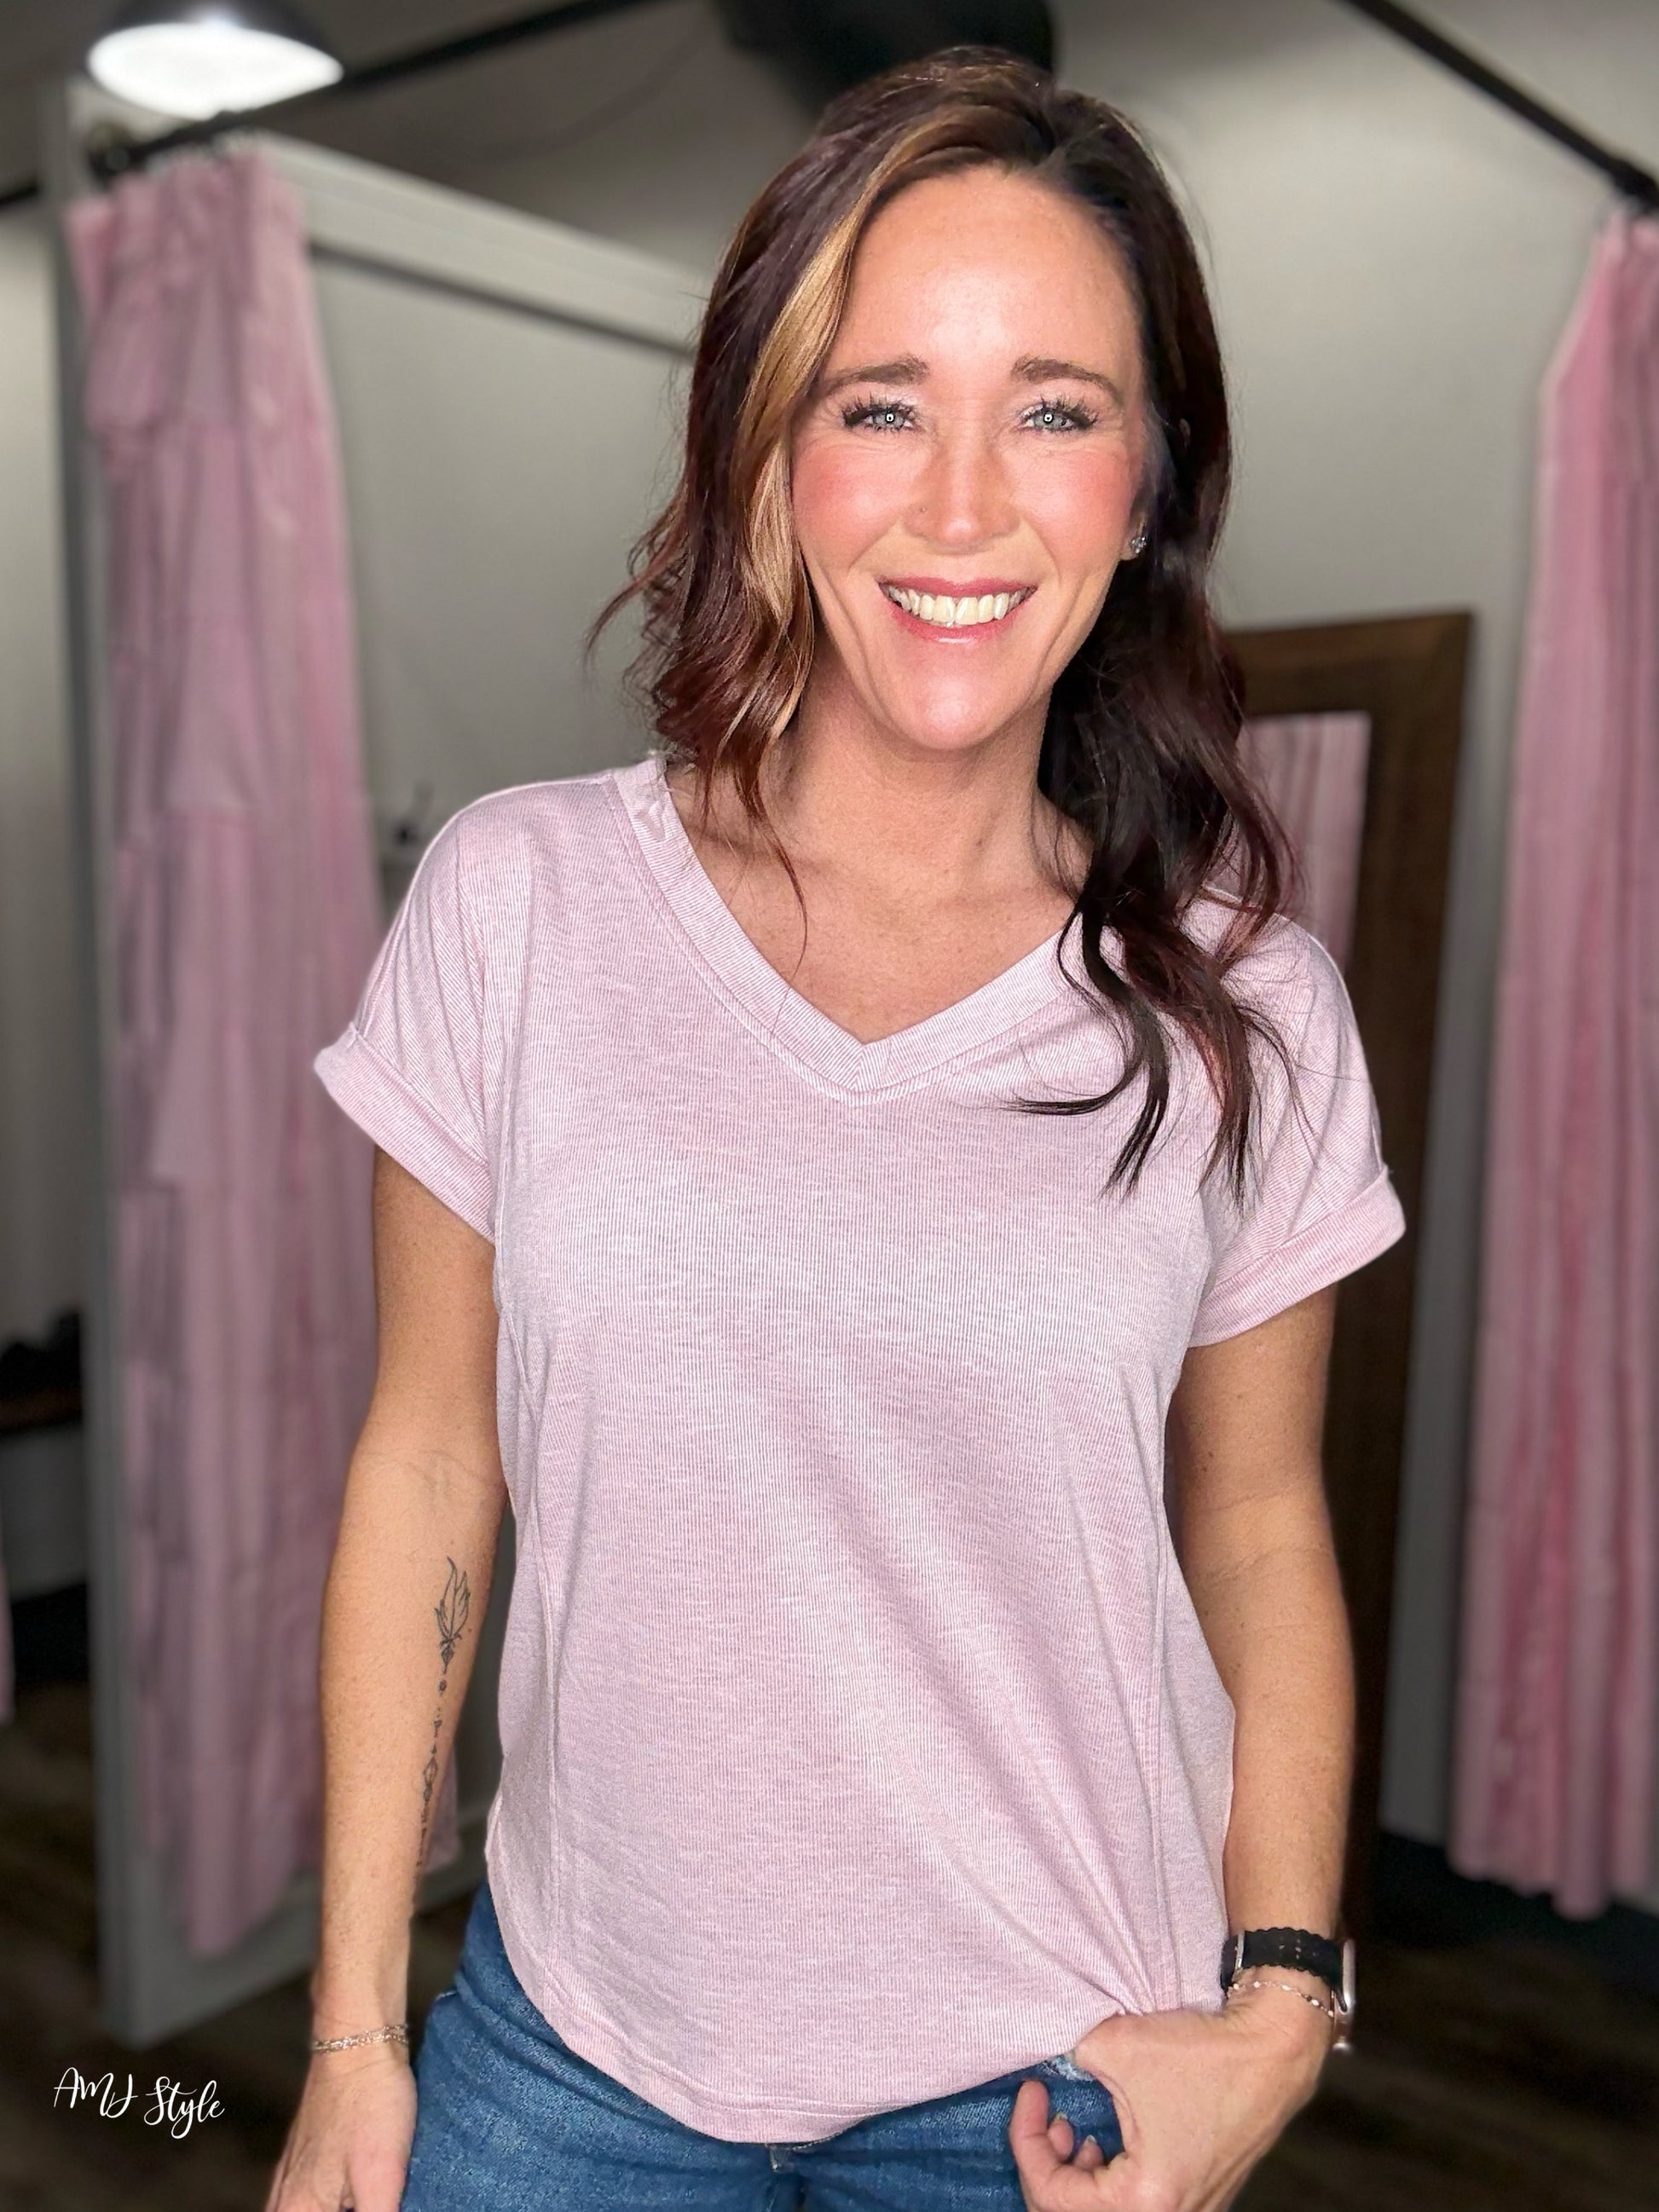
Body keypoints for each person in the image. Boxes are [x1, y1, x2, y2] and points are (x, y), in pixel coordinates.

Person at [267, 44, 1406, 2212]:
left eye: (1053, 410)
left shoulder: (1248, 1002)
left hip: (1057, 2083)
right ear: (770, 455)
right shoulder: (518, 903)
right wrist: (347, 2027)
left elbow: (1261, 1526)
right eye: (881, 403)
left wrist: (1279, 2007)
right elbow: (427, 1458)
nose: (960, 504)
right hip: (573, 2050)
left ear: (1148, 487)